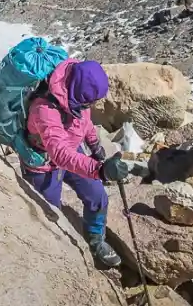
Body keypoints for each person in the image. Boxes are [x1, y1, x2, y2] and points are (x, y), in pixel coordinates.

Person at [24, 58, 129, 267]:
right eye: (87, 102)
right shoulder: (44, 108)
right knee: (49, 216)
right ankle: (56, 257)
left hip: (72, 151)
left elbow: (85, 121)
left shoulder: (76, 93)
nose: (89, 106)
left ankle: (95, 241)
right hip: (43, 164)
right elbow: (59, 153)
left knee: (97, 196)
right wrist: (98, 170)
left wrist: (95, 147)